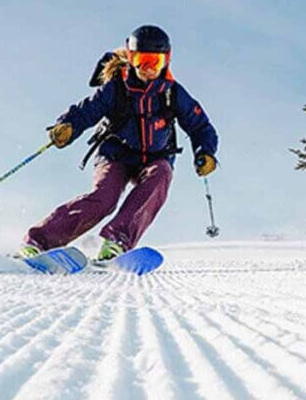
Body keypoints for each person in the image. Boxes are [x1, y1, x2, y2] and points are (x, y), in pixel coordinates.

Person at [20, 25, 219, 261]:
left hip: (155, 157)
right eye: (142, 61)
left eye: (154, 62)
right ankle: (39, 241)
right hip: (116, 154)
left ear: (166, 61)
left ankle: (117, 242)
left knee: (161, 173)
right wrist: (68, 126)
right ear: (131, 58)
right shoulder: (116, 88)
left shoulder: (172, 93)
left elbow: (200, 126)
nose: (148, 69)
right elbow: (87, 110)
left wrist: (205, 151)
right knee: (105, 199)